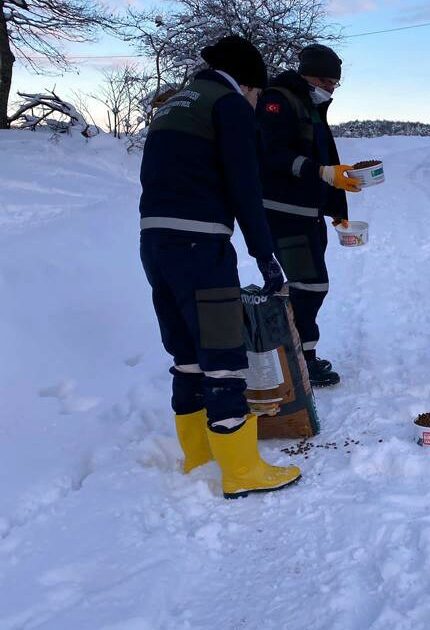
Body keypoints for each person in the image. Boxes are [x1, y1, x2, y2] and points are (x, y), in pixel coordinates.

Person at [139, 35, 300, 499]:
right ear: (248, 85)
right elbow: (244, 186)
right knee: (224, 356)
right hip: (201, 246)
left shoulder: (173, 106)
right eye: (258, 95)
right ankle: (241, 470)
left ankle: (198, 456)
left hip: (154, 242)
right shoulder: (227, 104)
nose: (256, 103)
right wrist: (265, 254)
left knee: (186, 355)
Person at [256, 44, 360, 388]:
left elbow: (325, 156)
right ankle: (299, 360)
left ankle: (301, 355)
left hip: (309, 213)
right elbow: (273, 155)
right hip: (284, 213)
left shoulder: (312, 106)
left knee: (308, 285)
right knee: (312, 285)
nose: (330, 87)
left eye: (335, 83)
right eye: (325, 80)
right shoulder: (278, 100)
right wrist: (322, 174)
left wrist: (337, 209)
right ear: (307, 74)